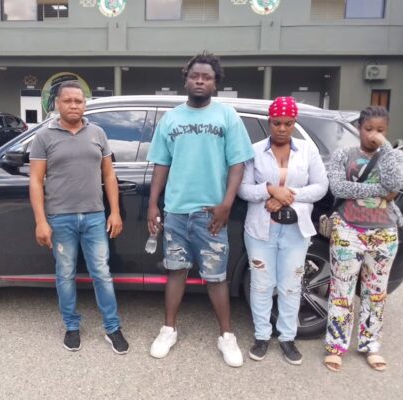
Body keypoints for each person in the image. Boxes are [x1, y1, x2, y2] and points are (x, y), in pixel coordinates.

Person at [146, 52, 254, 367]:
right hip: (176, 211)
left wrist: (226, 205)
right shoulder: (171, 119)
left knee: (217, 276)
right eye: (195, 76)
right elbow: (161, 164)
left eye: (207, 77)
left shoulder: (227, 117)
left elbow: (237, 164)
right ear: (186, 79)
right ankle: (168, 330)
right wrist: (153, 203)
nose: (200, 81)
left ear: (215, 83)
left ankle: (227, 336)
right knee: (176, 270)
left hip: (211, 214)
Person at [29, 80, 129, 355]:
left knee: (102, 274)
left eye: (79, 101)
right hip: (60, 218)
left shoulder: (98, 133)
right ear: (57, 104)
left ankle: (112, 327)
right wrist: (40, 221)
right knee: (65, 274)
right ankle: (72, 326)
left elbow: (109, 175)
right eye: (68, 100)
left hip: (95, 217)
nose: (74, 105)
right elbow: (36, 181)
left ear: (85, 104)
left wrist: (115, 212)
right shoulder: (44, 137)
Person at [238, 97, 328, 365]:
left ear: (294, 123)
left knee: (291, 285)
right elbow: (243, 189)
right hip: (259, 231)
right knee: (261, 285)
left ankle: (288, 338)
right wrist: (269, 189)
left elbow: (320, 186)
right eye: (277, 123)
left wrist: (287, 195)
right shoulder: (254, 151)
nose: (282, 128)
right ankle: (262, 336)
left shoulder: (308, 151)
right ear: (269, 121)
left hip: (295, 231)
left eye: (288, 123)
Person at [323, 106, 403, 372]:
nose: (374, 135)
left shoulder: (395, 156)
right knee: (341, 290)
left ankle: (371, 345)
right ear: (359, 127)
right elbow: (338, 187)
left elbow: (396, 184)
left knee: (376, 293)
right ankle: (336, 346)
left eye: (380, 130)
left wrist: (387, 148)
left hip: (384, 233)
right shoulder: (343, 155)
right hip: (348, 229)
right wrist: (380, 190)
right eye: (369, 129)